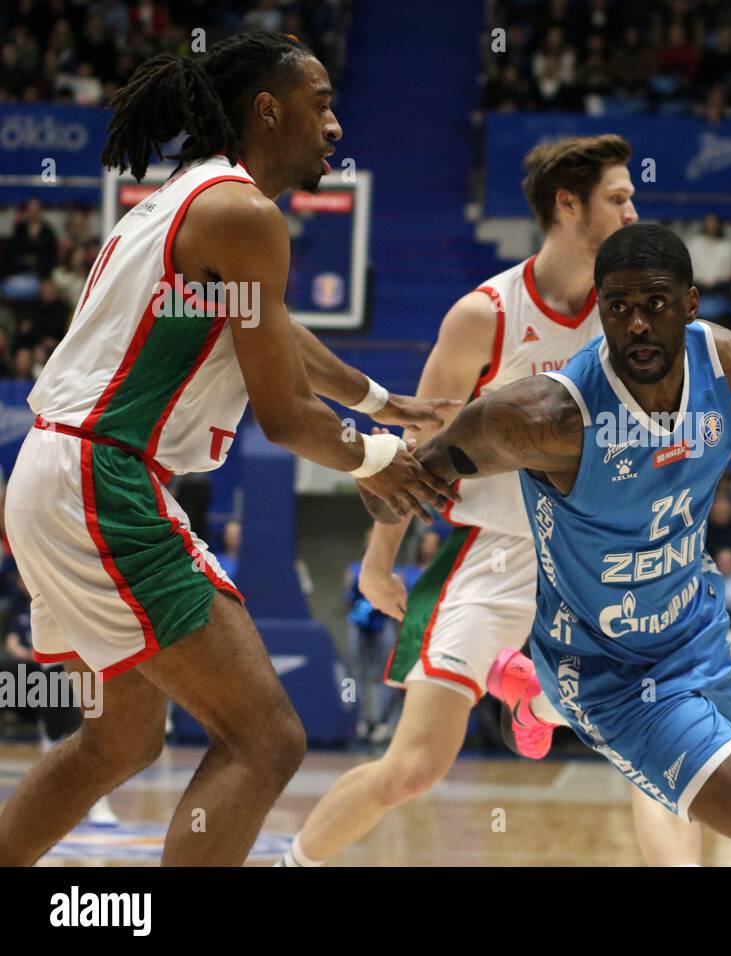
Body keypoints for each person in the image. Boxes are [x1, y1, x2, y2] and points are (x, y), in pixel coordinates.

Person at [0, 34, 452, 868]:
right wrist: (380, 459)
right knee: (267, 738)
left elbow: (276, 331)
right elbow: (282, 419)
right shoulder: (244, 214)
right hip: (103, 479)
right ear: (267, 109)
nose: (337, 126)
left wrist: (385, 405)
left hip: (53, 475)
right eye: (321, 104)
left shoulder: (193, 197)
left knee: (120, 742)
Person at [283, 135, 704, 868]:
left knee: (661, 764)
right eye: (619, 196)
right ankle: (292, 863)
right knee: (412, 769)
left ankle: (537, 698)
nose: (635, 207)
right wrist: (378, 562)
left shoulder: (640, 317)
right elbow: (417, 444)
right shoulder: (486, 315)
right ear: (567, 206)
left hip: (607, 563)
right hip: (495, 553)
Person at [380, 223, 731, 865]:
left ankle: (530, 696)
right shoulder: (549, 419)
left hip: (695, 626)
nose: (635, 325)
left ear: (691, 304)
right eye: (618, 307)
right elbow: (406, 476)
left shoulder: (724, 362)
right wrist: (367, 461)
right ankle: (545, 694)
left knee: (697, 804)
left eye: (655, 305)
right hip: (608, 672)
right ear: (599, 308)